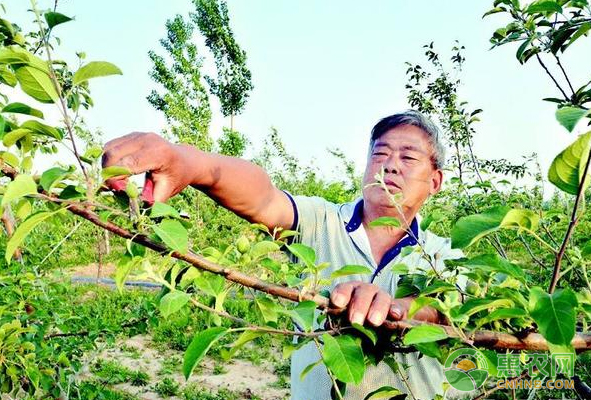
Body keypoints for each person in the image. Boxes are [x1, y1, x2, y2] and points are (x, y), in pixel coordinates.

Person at [103, 110, 461, 399]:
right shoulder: (321, 222)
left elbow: (446, 310)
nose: (390, 166)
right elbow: (263, 197)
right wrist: (190, 162)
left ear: (435, 181)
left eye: (408, 157)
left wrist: (400, 309)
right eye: (380, 154)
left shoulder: (444, 255)